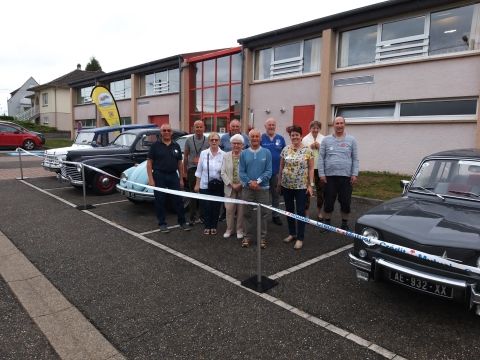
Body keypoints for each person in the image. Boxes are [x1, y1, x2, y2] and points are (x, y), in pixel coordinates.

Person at [147, 124, 191, 233]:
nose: (166, 132)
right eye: (164, 130)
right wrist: (151, 179)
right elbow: (149, 164)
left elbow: (179, 163)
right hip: (159, 175)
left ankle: (182, 222)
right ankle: (162, 223)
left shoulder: (176, 146)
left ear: (171, 133)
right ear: (161, 133)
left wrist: (181, 178)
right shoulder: (155, 146)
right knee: (160, 201)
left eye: (168, 130)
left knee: (178, 200)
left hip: (172, 175)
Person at [318, 116, 359, 231]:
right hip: (329, 177)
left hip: (346, 177)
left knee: (345, 202)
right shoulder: (326, 140)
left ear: (344, 125)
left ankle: (344, 223)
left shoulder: (352, 140)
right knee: (328, 202)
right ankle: (327, 224)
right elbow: (321, 158)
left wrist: (354, 174)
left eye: (341, 123)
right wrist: (321, 174)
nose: (339, 125)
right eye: (337, 123)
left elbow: (355, 159)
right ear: (333, 125)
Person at [277, 125, 314, 250]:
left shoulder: (308, 151)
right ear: (290, 137)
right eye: (292, 135)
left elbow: (311, 169)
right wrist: (279, 183)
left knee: (300, 211)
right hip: (286, 185)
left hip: (301, 186)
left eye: (297, 135)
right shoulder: (285, 149)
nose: (295, 137)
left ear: (301, 136)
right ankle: (292, 233)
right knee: (289, 211)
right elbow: (281, 167)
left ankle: (300, 238)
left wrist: (310, 185)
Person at [239, 129, 272, 249]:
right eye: (252, 136)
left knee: (263, 214)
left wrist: (257, 182)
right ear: (249, 138)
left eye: (257, 136)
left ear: (260, 138)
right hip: (247, 188)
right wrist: (250, 182)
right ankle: (247, 237)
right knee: (246, 213)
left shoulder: (267, 152)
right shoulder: (243, 153)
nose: (254, 138)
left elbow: (269, 171)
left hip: (262, 188)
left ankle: (262, 238)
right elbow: (241, 172)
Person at [194, 132, 225, 235]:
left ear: (219, 141)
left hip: (218, 185)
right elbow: (199, 170)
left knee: (216, 207)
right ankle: (207, 225)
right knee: (206, 207)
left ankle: (214, 226)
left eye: (216, 140)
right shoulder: (204, 153)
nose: (214, 142)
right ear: (209, 142)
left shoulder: (224, 155)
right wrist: (197, 184)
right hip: (204, 185)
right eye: (212, 140)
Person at [261, 117, 286, 226]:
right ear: (265, 126)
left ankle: (275, 215)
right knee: (264, 195)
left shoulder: (280, 138)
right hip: (264, 173)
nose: (271, 127)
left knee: (275, 195)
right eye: (269, 125)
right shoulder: (261, 138)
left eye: (273, 125)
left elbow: (285, 154)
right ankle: (262, 216)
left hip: (276, 172)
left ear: (275, 126)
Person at [183, 120, 209, 225]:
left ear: (204, 128)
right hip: (192, 169)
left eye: (200, 127)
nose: (198, 129)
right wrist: (184, 171)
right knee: (193, 194)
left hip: (204, 170)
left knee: (203, 194)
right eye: (196, 127)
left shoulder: (208, 140)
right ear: (193, 128)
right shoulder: (189, 140)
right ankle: (192, 217)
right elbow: (185, 156)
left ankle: (202, 216)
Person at [220, 134, 245, 240]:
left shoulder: (246, 155)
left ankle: (239, 230)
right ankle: (229, 229)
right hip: (229, 188)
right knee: (229, 210)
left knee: (241, 210)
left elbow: (249, 172)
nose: (236, 145)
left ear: (242, 145)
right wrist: (231, 184)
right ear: (231, 144)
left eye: (238, 143)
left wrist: (241, 184)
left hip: (243, 188)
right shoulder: (225, 155)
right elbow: (222, 172)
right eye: (234, 143)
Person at [302, 120, 325, 220]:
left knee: (321, 192)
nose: (315, 130)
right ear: (310, 128)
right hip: (308, 168)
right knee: (307, 191)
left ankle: (319, 212)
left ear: (319, 129)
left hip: (320, 169)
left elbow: (326, 153)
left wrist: (320, 147)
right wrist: (310, 147)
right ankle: (306, 213)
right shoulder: (305, 139)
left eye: (317, 128)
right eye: (313, 128)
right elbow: (302, 153)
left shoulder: (323, 138)